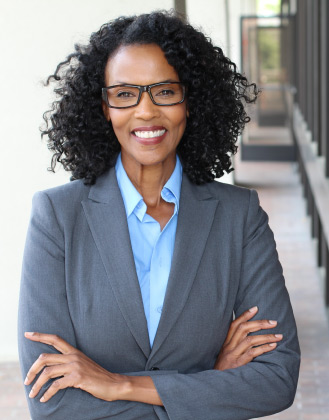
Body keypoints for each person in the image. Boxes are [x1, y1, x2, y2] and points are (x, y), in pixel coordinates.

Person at [18, 10, 300, 420]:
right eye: (125, 93)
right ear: (104, 107)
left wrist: (121, 385)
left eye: (165, 92)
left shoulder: (240, 217)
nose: (146, 112)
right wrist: (209, 382)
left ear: (190, 99)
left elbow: (276, 378)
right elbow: (52, 404)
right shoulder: (57, 218)